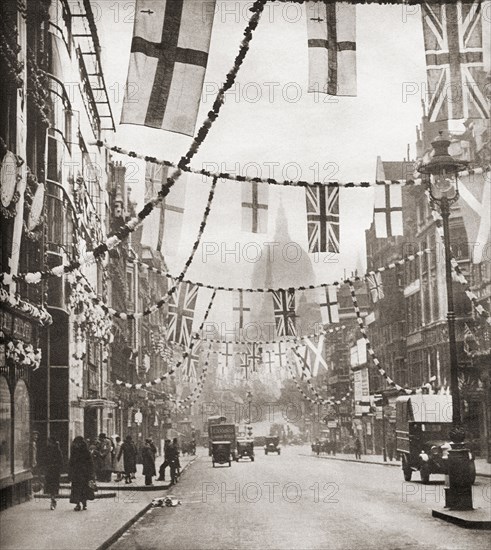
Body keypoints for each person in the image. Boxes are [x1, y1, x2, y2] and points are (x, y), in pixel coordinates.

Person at [68, 436, 95, 511]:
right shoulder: (82, 452)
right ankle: (81, 504)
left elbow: (71, 463)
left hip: (81, 474)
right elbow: (71, 463)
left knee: (80, 489)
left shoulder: (80, 452)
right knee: (81, 489)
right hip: (81, 474)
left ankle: (81, 504)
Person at [43, 436, 63, 510]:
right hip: (49, 471)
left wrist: (56, 466)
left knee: (53, 486)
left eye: (49, 442)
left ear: (52, 442)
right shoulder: (47, 450)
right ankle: (52, 499)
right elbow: (44, 459)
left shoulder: (57, 450)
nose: (48, 443)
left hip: (55, 471)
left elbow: (61, 461)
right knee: (50, 486)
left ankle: (53, 500)